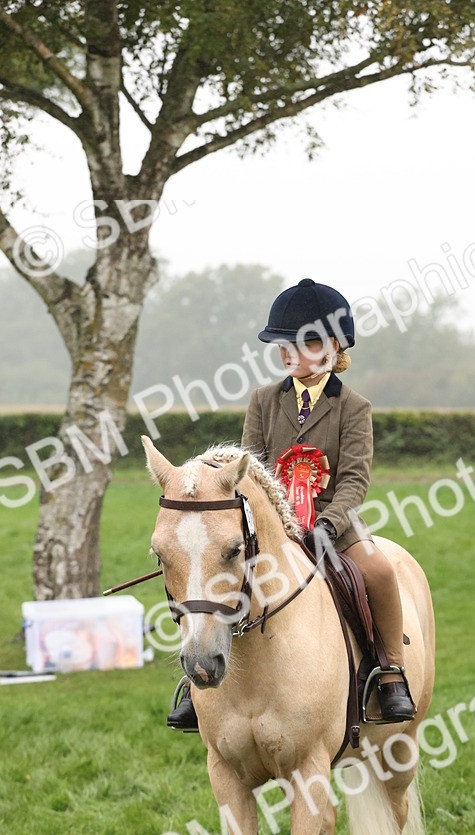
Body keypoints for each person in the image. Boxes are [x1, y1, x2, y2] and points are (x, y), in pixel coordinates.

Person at [168, 278, 415, 730]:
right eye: (283, 344)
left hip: (331, 523)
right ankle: (197, 680)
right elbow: (248, 471)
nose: (289, 353)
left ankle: (390, 670)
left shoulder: (353, 408)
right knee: (212, 575)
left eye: (304, 343)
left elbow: (355, 479)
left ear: (334, 346)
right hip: (270, 526)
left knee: (378, 570)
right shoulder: (264, 401)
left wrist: (329, 523)